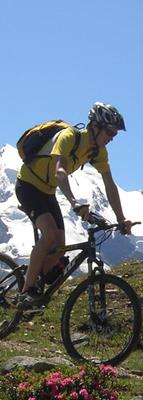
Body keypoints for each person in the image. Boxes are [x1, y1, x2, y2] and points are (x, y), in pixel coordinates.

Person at [15, 102, 135, 309]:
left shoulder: (98, 152)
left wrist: (121, 218)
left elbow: (109, 184)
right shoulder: (69, 137)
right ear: (94, 126)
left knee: (59, 248)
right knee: (50, 234)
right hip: (28, 185)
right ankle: (26, 292)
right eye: (109, 132)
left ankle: (40, 281)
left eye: (114, 134)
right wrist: (74, 202)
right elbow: (60, 171)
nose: (111, 138)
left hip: (48, 191)